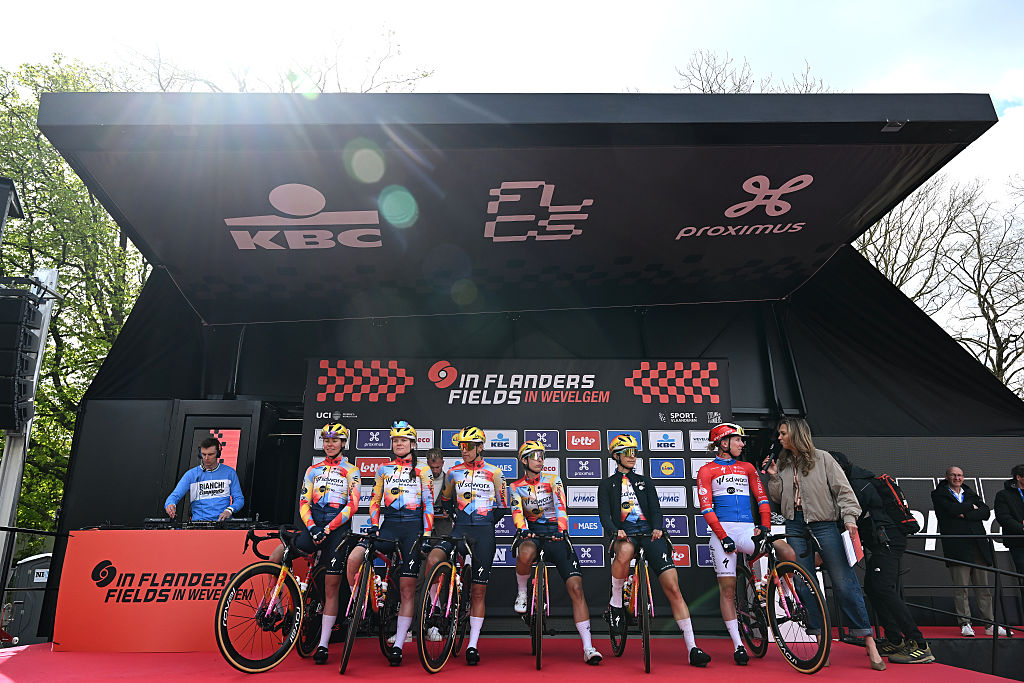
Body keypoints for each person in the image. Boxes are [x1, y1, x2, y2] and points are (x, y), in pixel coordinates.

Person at [764, 417, 886, 671]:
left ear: (796, 434)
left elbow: (844, 491)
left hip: (824, 524)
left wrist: (850, 519)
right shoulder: (784, 463)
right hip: (795, 525)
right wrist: (774, 477)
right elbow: (778, 497)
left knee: (843, 581)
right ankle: (821, 644)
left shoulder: (823, 458)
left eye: (783, 433)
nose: (779, 437)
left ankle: (869, 641)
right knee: (803, 583)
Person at [599, 434, 711, 667]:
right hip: (625, 535)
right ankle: (616, 603)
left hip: (650, 534)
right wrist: (614, 531)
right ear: (616, 456)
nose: (633, 457)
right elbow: (604, 515)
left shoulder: (645, 481)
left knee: (673, 587)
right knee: (624, 552)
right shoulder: (607, 484)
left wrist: (658, 528)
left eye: (635, 452)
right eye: (627, 453)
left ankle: (692, 647)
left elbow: (656, 510)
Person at [831, 451, 934, 664]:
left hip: (887, 542)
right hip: (883, 542)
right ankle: (894, 639)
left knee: (883, 588)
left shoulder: (858, 485)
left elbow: (852, 513)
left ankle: (919, 644)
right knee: (873, 587)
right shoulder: (860, 480)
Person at [346, 420, 433, 666]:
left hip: (413, 529)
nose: (399, 444)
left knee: (407, 588)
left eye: (403, 440)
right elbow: (374, 500)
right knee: (354, 558)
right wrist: (374, 525)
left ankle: (398, 645)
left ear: (413, 444)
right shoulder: (383, 469)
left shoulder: (423, 470)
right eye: (395, 440)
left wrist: (426, 535)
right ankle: (363, 604)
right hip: (388, 526)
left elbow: (428, 504)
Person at [510, 440, 602, 665]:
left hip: (556, 533)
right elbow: (517, 511)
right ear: (524, 461)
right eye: (535, 456)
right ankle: (522, 592)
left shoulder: (553, 480)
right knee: (524, 553)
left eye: (542, 455)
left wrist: (562, 529)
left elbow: (561, 505)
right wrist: (522, 529)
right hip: (533, 533)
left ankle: (588, 647)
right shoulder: (515, 486)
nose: (540, 460)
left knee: (576, 588)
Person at [424, 426, 507, 665]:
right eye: (461, 446)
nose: (464, 450)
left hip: (484, 533)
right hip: (459, 530)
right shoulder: (453, 472)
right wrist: (457, 518)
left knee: (478, 591)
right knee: (433, 559)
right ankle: (436, 608)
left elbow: (503, 506)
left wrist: (485, 522)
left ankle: (472, 644)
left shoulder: (495, 473)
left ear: (480, 447)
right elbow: (446, 501)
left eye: (469, 446)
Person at [697, 423, 772, 666]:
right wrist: (722, 536)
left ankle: (780, 592)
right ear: (723, 443)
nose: (742, 443)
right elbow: (706, 508)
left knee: (783, 550)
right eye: (737, 439)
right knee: (728, 591)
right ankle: (738, 644)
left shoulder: (748, 467)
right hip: (723, 532)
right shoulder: (706, 470)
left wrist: (765, 526)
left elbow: (762, 499)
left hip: (747, 529)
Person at [294, 423, 361, 664]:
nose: (330, 444)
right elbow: (304, 502)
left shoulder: (352, 470)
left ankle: (323, 644)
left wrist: (328, 528)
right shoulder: (313, 470)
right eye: (326, 440)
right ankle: (277, 609)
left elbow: (353, 505)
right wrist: (312, 527)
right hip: (315, 525)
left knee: (331, 585)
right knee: (279, 554)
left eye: (335, 440)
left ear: (343, 443)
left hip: (337, 530)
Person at [931, 465, 1010, 637]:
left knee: (983, 589)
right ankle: (965, 623)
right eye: (953, 475)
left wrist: (965, 512)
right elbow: (951, 510)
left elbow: (985, 512)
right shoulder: (939, 494)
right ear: (947, 476)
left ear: (963, 477)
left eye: (960, 475)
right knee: (961, 589)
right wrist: (971, 508)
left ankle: (990, 625)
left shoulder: (970, 492)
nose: (957, 478)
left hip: (978, 545)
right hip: (958, 547)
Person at [164, 436, 244, 522]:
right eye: (203, 454)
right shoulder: (191, 475)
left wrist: (229, 510)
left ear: (218, 454)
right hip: (198, 524)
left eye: (210, 454)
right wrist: (170, 504)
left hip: (223, 523)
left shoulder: (230, 472)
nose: (206, 458)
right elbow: (175, 495)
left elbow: (239, 499)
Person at [994, 464, 1024, 597]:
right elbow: (1003, 517)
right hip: (1019, 543)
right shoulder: (1004, 495)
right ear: (1019, 477)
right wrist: (1022, 528)